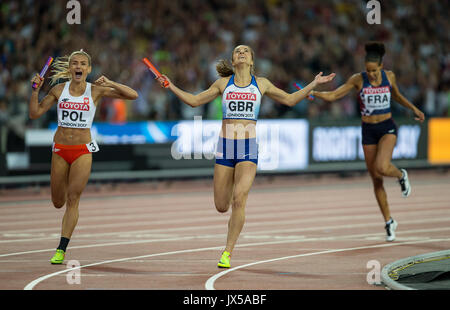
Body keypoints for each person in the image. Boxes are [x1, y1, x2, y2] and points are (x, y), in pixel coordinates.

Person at [155, 44, 335, 268]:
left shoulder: (262, 84)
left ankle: (227, 253)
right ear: (233, 61)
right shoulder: (223, 83)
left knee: (239, 200)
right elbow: (194, 101)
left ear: (251, 61)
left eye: (245, 51)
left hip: (248, 147)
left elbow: (289, 100)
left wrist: (313, 84)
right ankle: (232, 200)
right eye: (237, 51)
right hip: (225, 148)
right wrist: (170, 85)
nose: (241, 52)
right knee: (222, 206)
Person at [29, 50, 138, 264]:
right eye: (75, 63)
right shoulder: (59, 89)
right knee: (57, 201)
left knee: (73, 199)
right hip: (60, 149)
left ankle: (61, 248)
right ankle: (61, 241)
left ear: (88, 69)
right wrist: (35, 91)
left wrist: (112, 82)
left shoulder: (95, 90)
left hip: (82, 151)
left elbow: (133, 95)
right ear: (70, 68)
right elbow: (35, 113)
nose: (78, 66)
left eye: (83, 64)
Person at [311, 42, 425, 242]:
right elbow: (335, 95)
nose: (371, 74)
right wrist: (313, 93)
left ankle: (400, 174)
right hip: (368, 131)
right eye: (368, 70)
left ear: (381, 67)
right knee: (376, 179)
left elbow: (396, 95)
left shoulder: (389, 77)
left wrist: (413, 109)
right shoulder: (357, 79)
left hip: (387, 127)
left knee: (382, 166)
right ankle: (389, 221)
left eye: (374, 70)